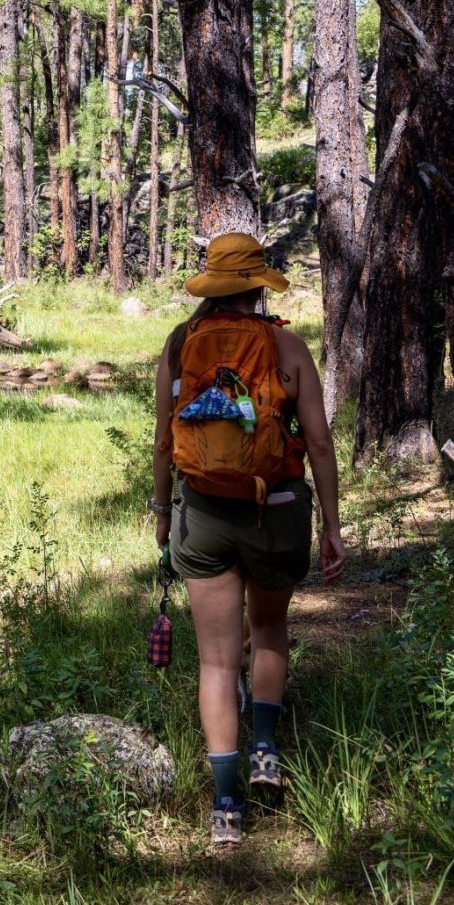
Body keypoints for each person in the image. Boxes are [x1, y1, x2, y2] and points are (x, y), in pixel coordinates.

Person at [151, 231, 346, 848]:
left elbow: (163, 439)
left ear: (211, 287)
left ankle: (226, 806)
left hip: (204, 513)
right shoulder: (286, 345)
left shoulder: (181, 344)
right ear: (259, 285)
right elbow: (317, 441)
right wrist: (333, 526)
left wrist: (162, 510)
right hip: (278, 512)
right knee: (267, 632)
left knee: (214, 659)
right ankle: (266, 749)